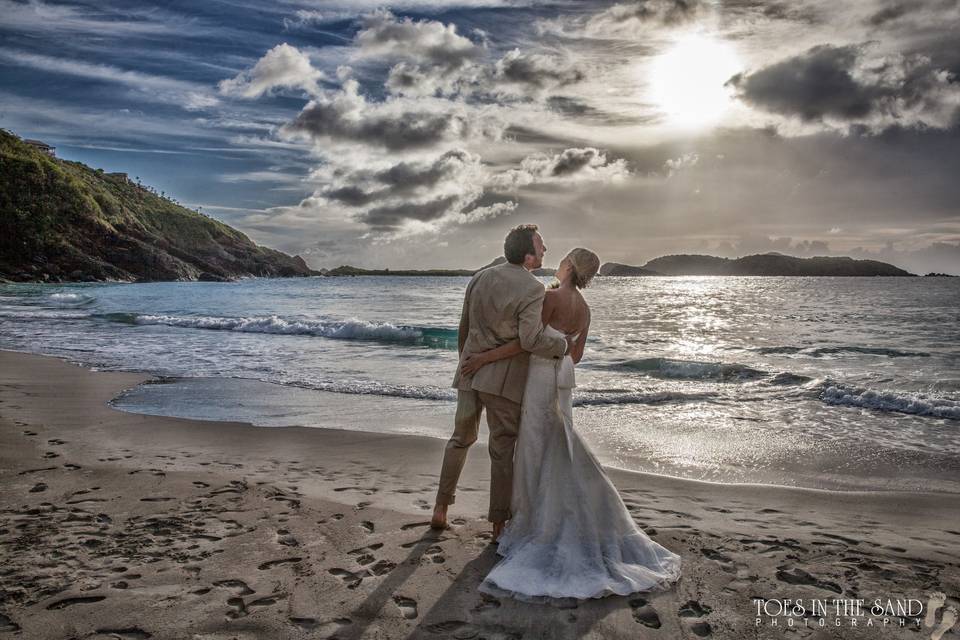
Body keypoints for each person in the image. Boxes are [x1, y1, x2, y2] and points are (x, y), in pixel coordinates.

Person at [461, 248, 682, 602]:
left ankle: (531, 520)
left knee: (534, 446)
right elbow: (574, 355)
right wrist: (559, 352)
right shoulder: (585, 309)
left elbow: (527, 342)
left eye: (563, 258)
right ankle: (548, 514)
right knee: (558, 440)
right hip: (561, 381)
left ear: (568, 266)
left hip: (537, 378)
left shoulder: (548, 297)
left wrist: (485, 357)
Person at [431, 224, 573, 540]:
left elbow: (463, 328)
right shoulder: (532, 288)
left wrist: (466, 363)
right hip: (504, 380)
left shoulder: (480, 276)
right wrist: (563, 345)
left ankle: (441, 508)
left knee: (459, 438)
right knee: (502, 449)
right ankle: (498, 525)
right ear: (528, 254)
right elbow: (530, 339)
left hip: (468, 372)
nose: (545, 249)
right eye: (541, 244)